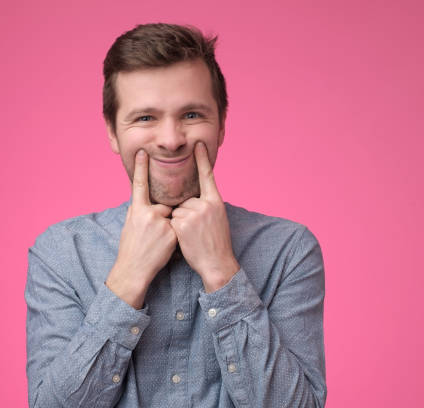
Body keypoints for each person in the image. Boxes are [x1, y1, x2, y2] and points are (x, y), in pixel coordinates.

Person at [25, 23, 326, 407]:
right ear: (113, 133)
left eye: (191, 114)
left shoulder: (289, 250)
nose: (170, 139)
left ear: (221, 124)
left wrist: (222, 272)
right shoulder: (62, 252)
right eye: (145, 118)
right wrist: (127, 279)